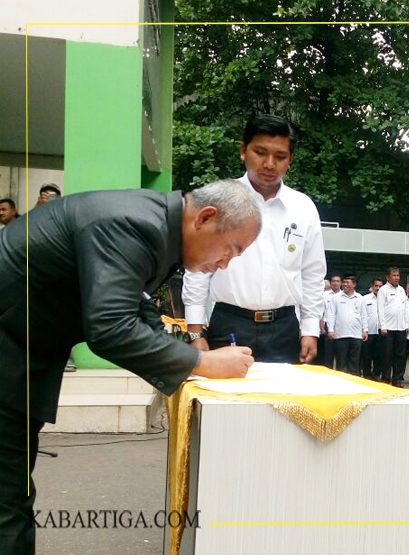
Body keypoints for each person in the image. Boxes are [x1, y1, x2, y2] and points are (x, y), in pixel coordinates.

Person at [0, 179, 260, 555]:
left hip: (21, 348)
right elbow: (110, 327)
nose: (225, 264)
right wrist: (203, 362)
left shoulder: (154, 224)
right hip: (9, 348)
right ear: (205, 217)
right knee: (7, 503)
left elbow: (136, 305)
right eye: (231, 250)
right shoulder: (134, 225)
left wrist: (189, 359)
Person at [182, 114, 326, 365]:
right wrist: (195, 331)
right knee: (224, 390)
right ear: (243, 151)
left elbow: (312, 274)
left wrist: (310, 329)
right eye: (260, 152)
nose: (269, 164)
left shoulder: (303, 208)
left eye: (280, 156)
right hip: (229, 324)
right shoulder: (219, 199)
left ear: (290, 160)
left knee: (282, 392)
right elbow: (198, 267)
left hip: (284, 329)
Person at [328, 276, 367, 375]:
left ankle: (354, 380)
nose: (345, 284)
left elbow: (363, 315)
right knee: (341, 362)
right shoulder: (336, 297)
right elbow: (331, 314)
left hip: (356, 334)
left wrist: (365, 330)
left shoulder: (360, 298)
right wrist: (330, 330)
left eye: (348, 282)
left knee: (354, 361)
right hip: (340, 334)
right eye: (344, 282)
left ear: (354, 284)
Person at [376, 267, 407, 386]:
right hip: (388, 328)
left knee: (400, 355)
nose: (396, 278)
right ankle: (385, 378)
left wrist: (406, 324)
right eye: (394, 275)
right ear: (387, 277)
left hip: (400, 327)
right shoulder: (383, 290)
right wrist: (382, 326)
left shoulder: (402, 290)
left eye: (398, 275)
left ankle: (397, 379)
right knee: (386, 355)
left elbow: (404, 308)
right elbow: (380, 309)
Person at [360, 278, 383, 380]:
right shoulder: (365, 299)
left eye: (380, 286)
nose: (378, 288)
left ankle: (376, 375)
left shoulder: (386, 299)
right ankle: (367, 375)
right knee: (367, 355)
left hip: (381, 331)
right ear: (372, 286)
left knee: (379, 355)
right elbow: (363, 315)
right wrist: (364, 330)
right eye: (376, 286)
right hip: (369, 331)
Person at [320, 275, 342, 368]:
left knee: (340, 353)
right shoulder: (325, 295)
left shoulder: (343, 295)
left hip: (340, 326)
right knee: (328, 353)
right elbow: (321, 312)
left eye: (337, 281)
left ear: (341, 283)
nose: (335, 283)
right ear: (331, 283)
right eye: (333, 281)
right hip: (328, 326)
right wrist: (322, 328)